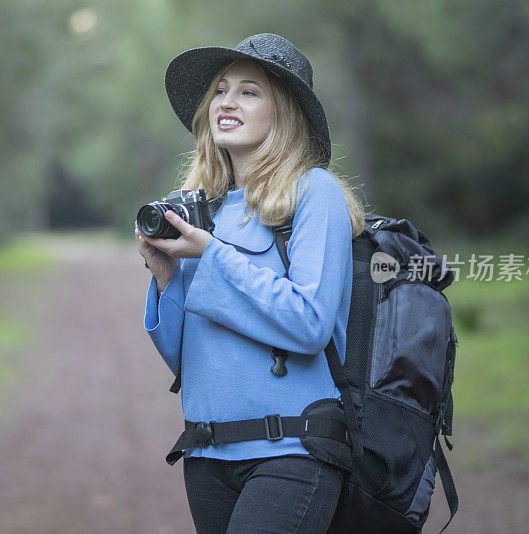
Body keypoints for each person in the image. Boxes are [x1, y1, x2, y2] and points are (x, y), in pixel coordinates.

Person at [135, 33, 365, 534]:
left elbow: (309, 324)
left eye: (248, 91)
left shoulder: (313, 193)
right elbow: (187, 361)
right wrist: (166, 275)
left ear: (282, 113)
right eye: (220, 90)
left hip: (292, 451)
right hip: (207, 452)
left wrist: (212, 255)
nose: (226, 102)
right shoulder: (201, 206)